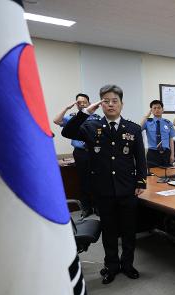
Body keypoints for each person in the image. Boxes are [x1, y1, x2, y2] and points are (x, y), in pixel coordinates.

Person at [62, 84, 147, 284]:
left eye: (114, 101)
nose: (110, 104)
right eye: (106, 101)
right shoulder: (91, 127)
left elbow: (140, 158)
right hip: (103, 189)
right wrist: (84, 113)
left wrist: (141, 181)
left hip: (127, 188)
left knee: (128, 231)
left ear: (121, 104)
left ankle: (127, 265)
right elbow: (67, 132)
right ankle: (111, 266)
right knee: (109, 231)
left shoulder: (133, 128)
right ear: (100, 105)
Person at [53, 93, 100, 217]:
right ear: (76, 104)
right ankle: (86, 208)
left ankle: (97, 206)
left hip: (94, 152)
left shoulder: (96, 118)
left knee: (96, 180)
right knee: (83, 180)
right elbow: (56, 120)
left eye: (84, 102)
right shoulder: (72, 118)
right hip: (80, 153)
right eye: (79, 102)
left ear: (89, 103)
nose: (82, 104)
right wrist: (67, 108)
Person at [140, 100, 175, 169]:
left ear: (163, 110)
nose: (157, 110)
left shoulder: (168, 123)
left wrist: (172, 155)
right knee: (153, 175)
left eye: (159, 108)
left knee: (168, 174)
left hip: (166, 153)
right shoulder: (147, 122)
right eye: (154, 108)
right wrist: (146, 116)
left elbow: (171, 140)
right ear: (151, 110)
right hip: (153, 153)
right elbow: (138, 129)